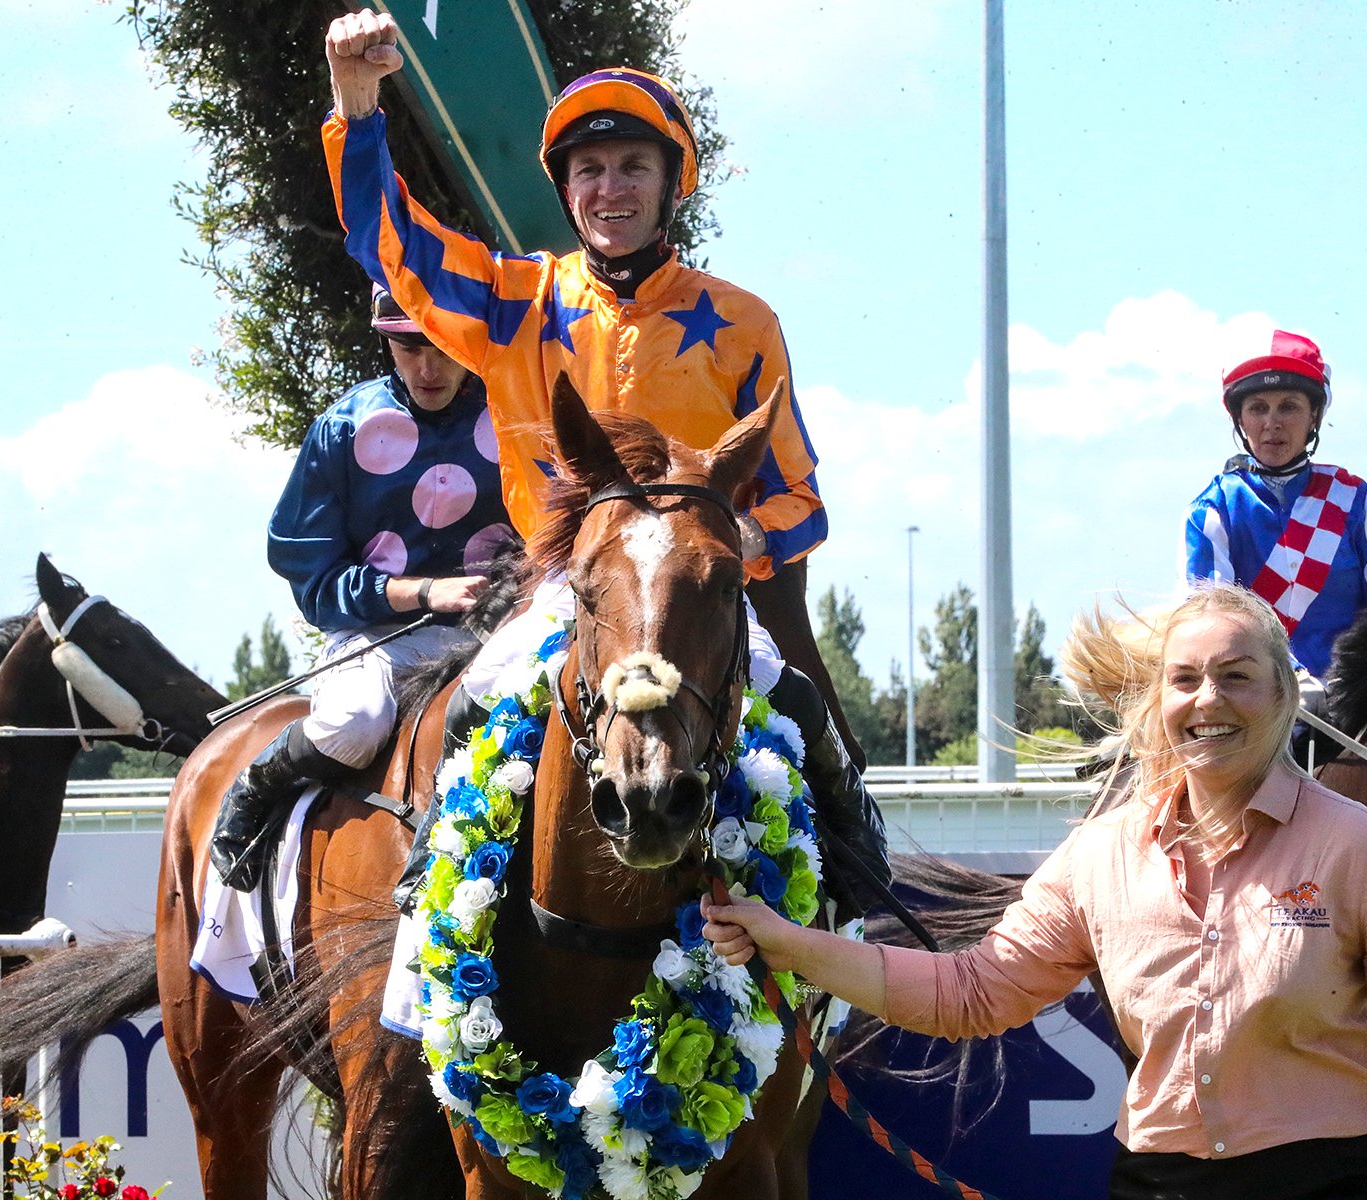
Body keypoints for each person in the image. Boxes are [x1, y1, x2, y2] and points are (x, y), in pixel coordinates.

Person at [702, 584, 1367, 1200]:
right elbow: (970, 993)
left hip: (1331, 1185)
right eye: (1186, 678)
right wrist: (785, 941)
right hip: (1155, 1186)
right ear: (1158, 701)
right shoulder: (1100, 857)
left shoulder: (1364, 850)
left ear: (1283, 697)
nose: (1211, 700)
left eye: (1238, 675)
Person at [320, 9, 890, 920]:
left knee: (808, 716)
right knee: (475, 699)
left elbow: (802, 500)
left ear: (672, 188)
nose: (609, 188)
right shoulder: (517, 301)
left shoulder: (744, 322)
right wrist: (358, 109)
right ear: (566, 189)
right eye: (589, 170)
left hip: (705, 598)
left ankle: (868, 892)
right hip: (569, 590)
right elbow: (394, 245)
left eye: (634, 167)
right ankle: (429, 898)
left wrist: (745, 535)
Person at [209, 288, 514, 892]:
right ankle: (259, 781)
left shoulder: (515, 416)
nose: (427, 368)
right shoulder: (343, 427)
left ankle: (442, 848)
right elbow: (315, 577)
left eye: (442, 346)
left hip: (494, 634)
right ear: (385, 341)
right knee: (357, 722)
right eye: (408, 347)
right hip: (378, 634)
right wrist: (424, 593)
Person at [1182, 329, 1367, 684]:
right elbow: (1216, 621)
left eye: (1289, 406)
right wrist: (1292, 677)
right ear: (1240, 420)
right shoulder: (1213, 510)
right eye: (1258, 408)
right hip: (1255, 698)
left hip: (1352, 699)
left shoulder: (1358, 502)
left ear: (1314, 415)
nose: (1273, 423)